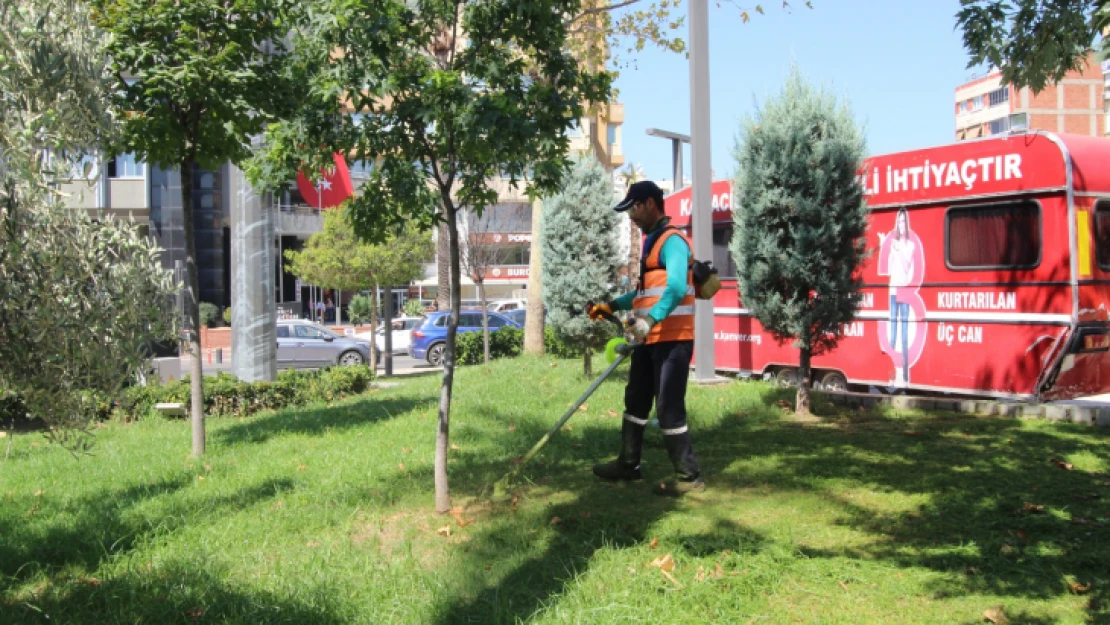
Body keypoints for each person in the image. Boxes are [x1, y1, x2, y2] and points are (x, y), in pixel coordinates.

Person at [587, 180, 705, 496]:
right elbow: (644, 294)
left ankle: (689, 478)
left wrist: (650, 320)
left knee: (668, 407)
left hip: (672, 339)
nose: (631, 217)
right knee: (636, 400)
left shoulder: (673, 242)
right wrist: (609, 306)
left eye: (633, 209)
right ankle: (628, 465)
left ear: (650, 203)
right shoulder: (652, 243)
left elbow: (678, 288)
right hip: (649, 339)